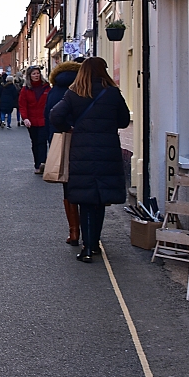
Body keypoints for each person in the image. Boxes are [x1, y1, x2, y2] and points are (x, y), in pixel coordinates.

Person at [49, 57, 130, 263]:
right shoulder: (112, 93)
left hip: (81, 152)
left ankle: (86, 248)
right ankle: (94, 244)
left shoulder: (74, 93)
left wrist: (69, 128)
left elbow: (55, 115)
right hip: (107, 151)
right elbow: (122, 120)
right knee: (99, 200)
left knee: (85, 199)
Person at [45, 61, 82, 245]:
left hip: (61, 141)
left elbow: (49, 116)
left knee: (67, 186)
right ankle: (91, 234)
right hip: (83, 142)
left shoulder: (53, 91)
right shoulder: (82, 89)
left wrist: (52, 138)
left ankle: (74, 231)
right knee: (86, 186)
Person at [18, 66, 51, 173]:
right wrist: (25, 118)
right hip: (31, 121)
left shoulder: (46, 87)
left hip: (44, 119)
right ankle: (37, 164)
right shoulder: (25, 89)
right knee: (35, 142)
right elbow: (22, 105)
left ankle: (42, 163)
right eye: (34, 74)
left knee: (42, 142)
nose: (36, 75)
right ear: (29, 76)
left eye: (37, 73)